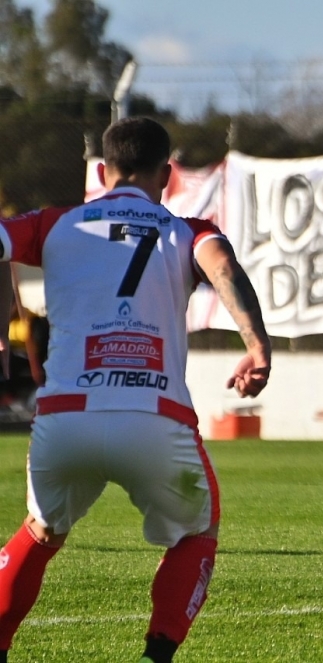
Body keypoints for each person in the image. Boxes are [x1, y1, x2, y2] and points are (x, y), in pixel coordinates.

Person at [0, 117, 271, 663]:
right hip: (155, 418)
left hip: (65, 419)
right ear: (165, 175)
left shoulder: (56, 223)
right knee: (198, 531)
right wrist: (257, 344)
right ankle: (156, 657)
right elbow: (223, 268)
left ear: (103, 171)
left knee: (41, 532)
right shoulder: (187, 230)